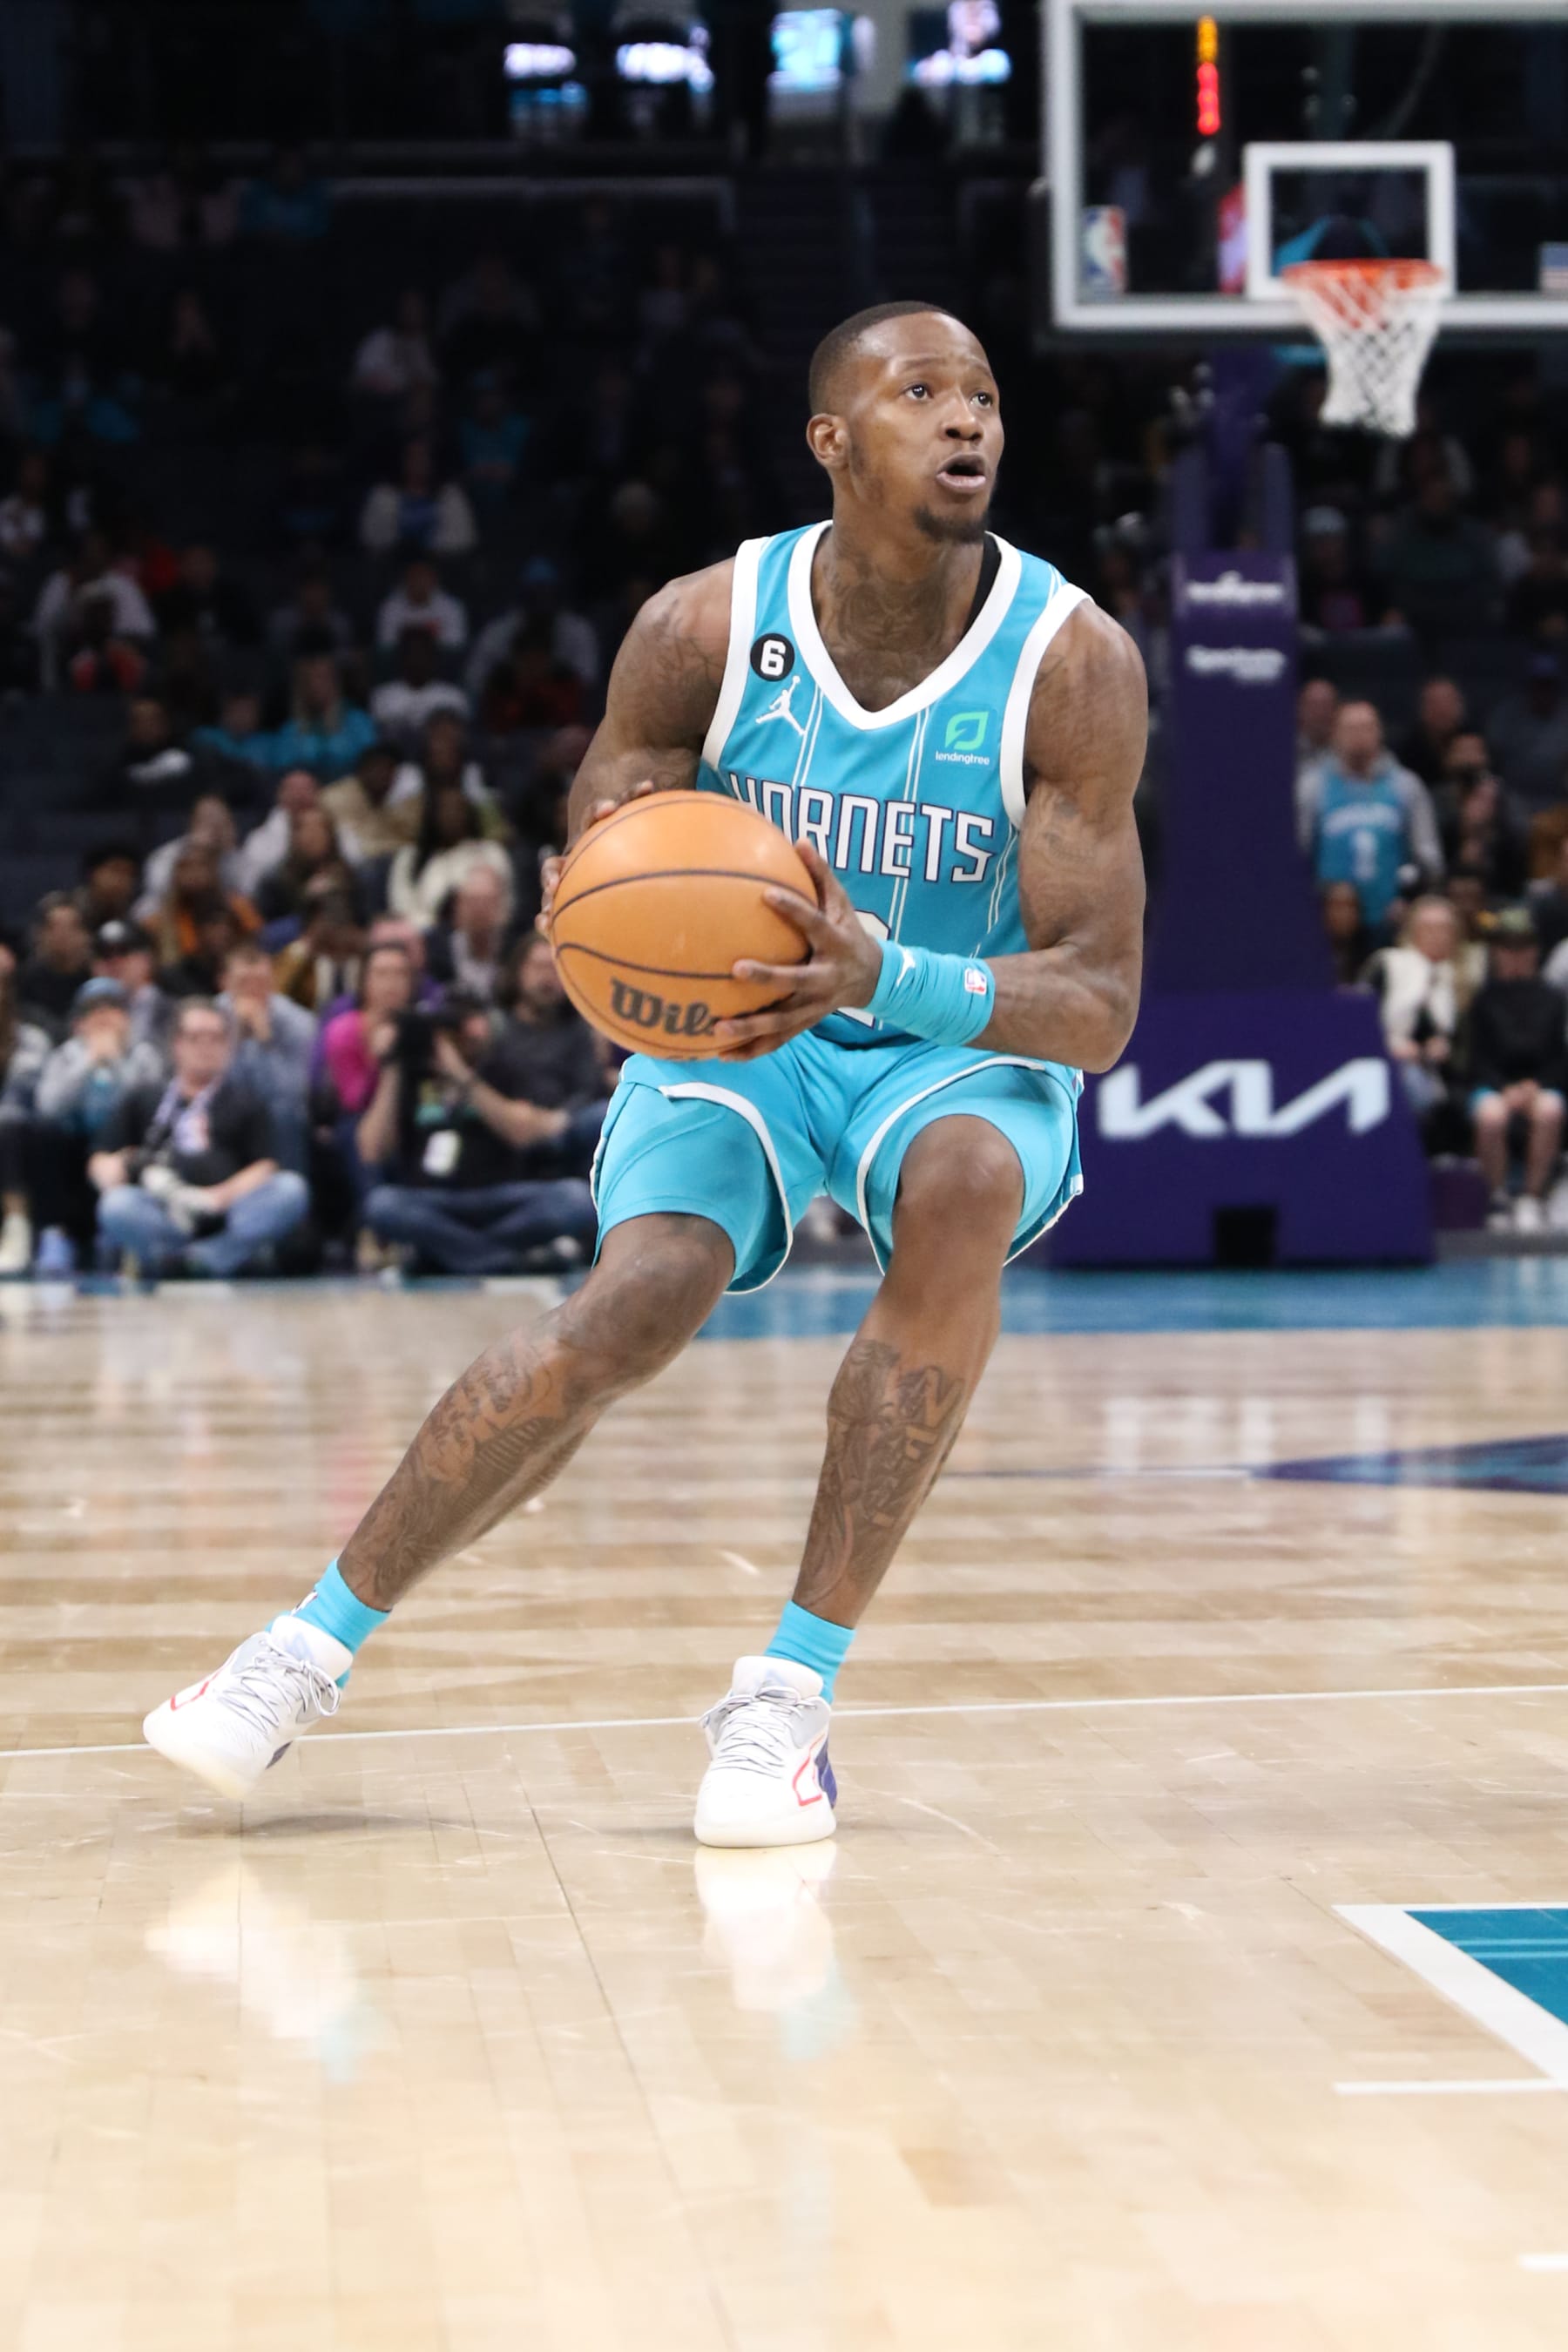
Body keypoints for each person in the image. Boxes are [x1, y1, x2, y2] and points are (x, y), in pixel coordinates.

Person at [140, 300, 1147, 1852]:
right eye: (924, 393)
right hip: (752, 1031)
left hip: (947, 1039)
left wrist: (890, 975)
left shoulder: (1069, 662)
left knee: (960, 1185)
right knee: (634, 1298)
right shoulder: (702, 626)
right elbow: (607, 831)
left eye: (987, 397)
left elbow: (1096, 1004)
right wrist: (607, 910)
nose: (969, 421)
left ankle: (789, 1702)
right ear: (832, 439)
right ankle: (298, 1652)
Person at [355, 989, 598, 1275]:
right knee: (382, 1204)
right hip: (432, 1201)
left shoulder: (503, 1068)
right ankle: (501, 1259)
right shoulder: (411, 1076)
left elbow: (521, 1133)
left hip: (502, 1198)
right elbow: (372, 1151)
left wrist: (460, 1075)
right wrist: (392, 1066)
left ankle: (446, 1255)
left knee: (575, 1199)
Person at [90, 998, 308, 1277]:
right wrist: (116, 1169)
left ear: (227, 1046)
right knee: (116, 1205)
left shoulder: (246, 1100)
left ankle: (202, 1259)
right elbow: (102, 1156)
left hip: (227, 1209)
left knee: (290, 1190)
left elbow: (266, 1166)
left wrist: (215, 1198)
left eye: (215, 1038)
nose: (206, 1047)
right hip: (166, 1207)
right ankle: (188, 1258)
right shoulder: (145, 1097)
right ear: (177, 1044)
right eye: (195, 1038)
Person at [1464, 906, 1568, 1232]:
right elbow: (1476, 1057)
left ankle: (1532, 1197)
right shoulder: (1482, 1000)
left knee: (1551, 1110)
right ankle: (1495, 1197)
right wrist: (1502, 1088)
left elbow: (1560, 1055)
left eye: (1522, 947)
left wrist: (1536, 1086)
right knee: (1491, 1116)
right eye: (1507, 948)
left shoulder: (1554, 1000)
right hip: (1493, 1086)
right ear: (1496, 953)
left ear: (1534, 951)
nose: (1515, 956)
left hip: (1541, 1086)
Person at [1296, 700, 1442, 931]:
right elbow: (1297, 853)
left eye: (1366, 728)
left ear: (1379, 732)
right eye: (1350, 729)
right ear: (1335, 733)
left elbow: (1429, 858)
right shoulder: (1312, 787)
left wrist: (1411, 901)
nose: (1358, 736)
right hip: (1326, 922)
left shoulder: (1406, 786)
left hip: (1392, 918)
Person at [1362, 896, 1467, 1131]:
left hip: (1442, 1072)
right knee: (1413, 1087)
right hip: (1387, 1060)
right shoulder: (1387, 964)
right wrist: (1389, 1044)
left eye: (1444, 929)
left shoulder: (1461, 980)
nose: (1436, 936)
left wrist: (1444, 1046)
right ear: (1412, 931)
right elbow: (1358, 1019)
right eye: (1428, 929)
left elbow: (1465, 1040)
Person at [218, 938, 316, 1173]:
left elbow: (294, 1094)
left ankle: (293, 1193)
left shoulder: (299, 1022)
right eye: (244, 983)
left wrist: (265, 1040)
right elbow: (207, 1083)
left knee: (284, 1114)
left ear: (272, 982)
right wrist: (237, 1036)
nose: (252, 992)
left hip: (275, 1116)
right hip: (222, 1111)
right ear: (225, 983)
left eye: (260, 983)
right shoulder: (210, 1018)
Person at [0, 950, 53, 1274]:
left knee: (6, 1126)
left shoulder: (32, 1040)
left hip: (27, 1136)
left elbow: (26, 1100)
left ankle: (17, 1228)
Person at [266, 654, 377, 781]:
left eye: (322, 679)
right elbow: (282, 770)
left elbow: (372, 762)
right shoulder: (289, 731)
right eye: (309, 681)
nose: (315, 686)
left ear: (335, 683)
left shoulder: (357, 722)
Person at [359, 438, 476, 558]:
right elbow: (370, 537)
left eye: (424, 457)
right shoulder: (382, 495)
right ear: (402, 460)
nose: (418, 462)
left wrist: (428, 549)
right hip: (390, 564)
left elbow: (464, 539)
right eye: (413, 457)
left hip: (443, 564)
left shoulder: (450, 495)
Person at [1486, 650, 1568, 814]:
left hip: (1560, 796)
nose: (1543, 691)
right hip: (1515, 795)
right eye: (1538, 684)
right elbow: (1493, 759)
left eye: (1548, 684)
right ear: (1528, 685)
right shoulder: (1507, 714)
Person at [322, 740, 421, 867]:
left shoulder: (405, 799)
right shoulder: (337, 797)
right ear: (362, 771)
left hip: (397, 863)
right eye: (374, 768)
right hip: (353, 866)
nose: (380, 774)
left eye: (387, 768)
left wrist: (393, 806)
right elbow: (353, 848)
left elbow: (414, 838)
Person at [370, 626, 469, 751]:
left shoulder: (453, 697)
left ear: (433, 656)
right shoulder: (382, 696)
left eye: (423, 652)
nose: (417, 658)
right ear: (401, 656)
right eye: (412, 652)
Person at [424, 864, 514, 1001]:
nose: (479, 910)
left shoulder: (515, 951)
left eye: (487, 901)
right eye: (472, 901)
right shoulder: (434, 950)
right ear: (457, 906)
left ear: (501, 906)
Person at [17, 895, 93, 1039]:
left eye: (71, 927)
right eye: (54, 927)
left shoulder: (95, 979)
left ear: (85, 935)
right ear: (40, 934)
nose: (62, 935)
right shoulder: (23, 981)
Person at [374, 556, 469, 654]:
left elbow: (454, 646)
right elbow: (386, 646)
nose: (419, 582)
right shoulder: (390, 608)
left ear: (434, 579)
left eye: (424, 576)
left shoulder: (452, 607)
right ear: (405, 579)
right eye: (415, 576)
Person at [1398, 677, 1468, 788]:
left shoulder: (1474, 740)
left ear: (1460, 706)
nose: (1442, 710)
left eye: (1448, 702)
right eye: (1435, 703)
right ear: (1422, 708)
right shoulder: (1408, 752)